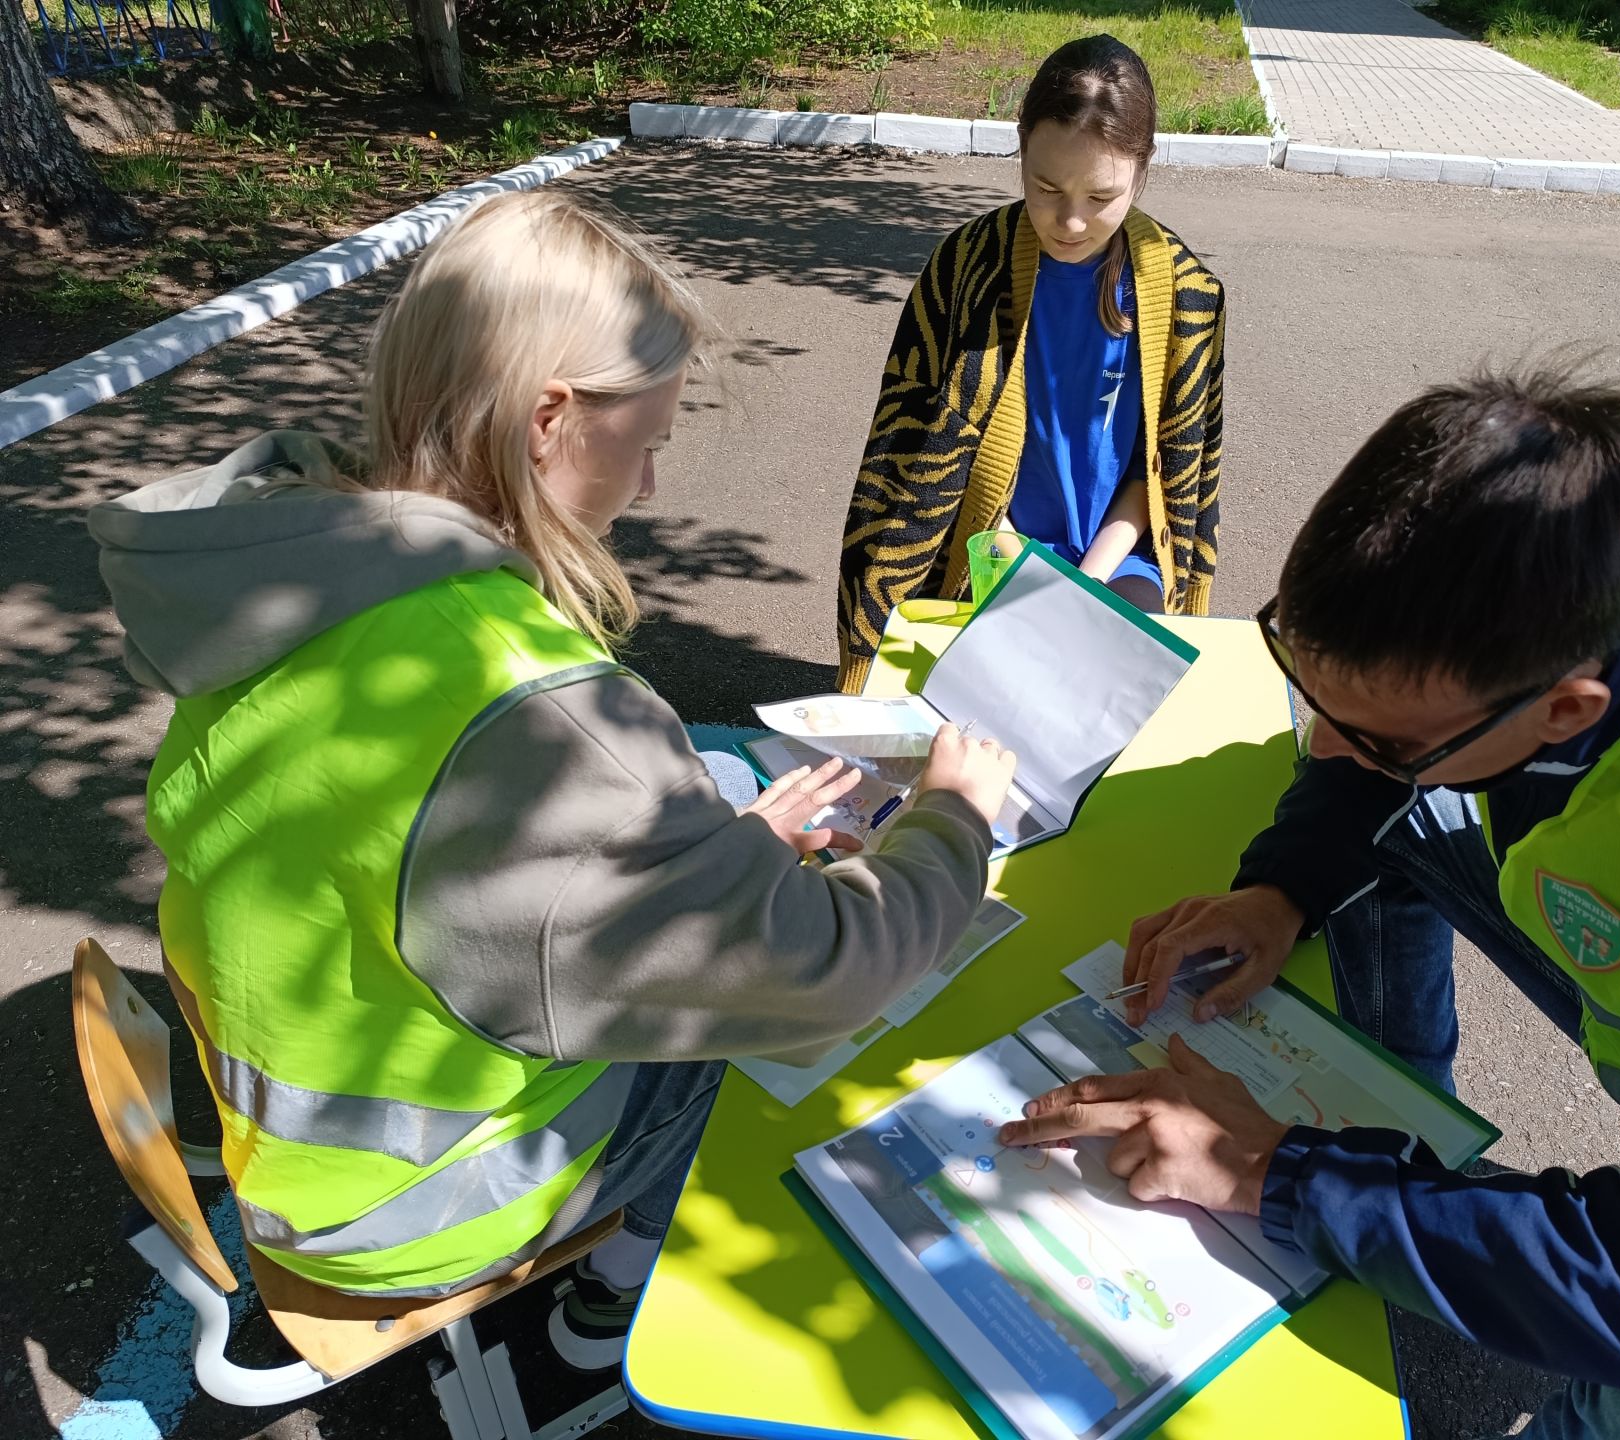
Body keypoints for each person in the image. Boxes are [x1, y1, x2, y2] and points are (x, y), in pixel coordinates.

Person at [89, 188, 1018, 1370]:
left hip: (299, 1125)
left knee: (724, 812)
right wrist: (952, 817)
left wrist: (705, 852)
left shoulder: (289, 577)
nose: (647, 491)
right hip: (402, 1212)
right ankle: (606, 1311)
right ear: (549, 420)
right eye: (648, 444)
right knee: (740, 1052)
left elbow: (431, 854)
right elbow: (824, 968)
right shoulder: (537, 713)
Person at [997, 364, 1620, 1438]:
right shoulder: (1560, 547)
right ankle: (1396, 1129)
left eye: (1384, 741)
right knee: (1395, 813)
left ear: (1567, 712)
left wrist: (1277, 1173)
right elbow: (1362, 750)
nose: (1337, 743)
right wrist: (1285, 885)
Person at [834, 33, 1227, 693]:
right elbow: (912, 448)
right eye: (1046, 187)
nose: (1070, 221)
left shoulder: (1188, 296)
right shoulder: (965, 267)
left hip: (1121, 561)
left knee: (1119, 697)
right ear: (1020, 146)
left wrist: (1086, 584)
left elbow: (1164, 475)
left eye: (1101, 198)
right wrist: (1014, 561)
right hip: (985, 544)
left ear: (1144, 168)